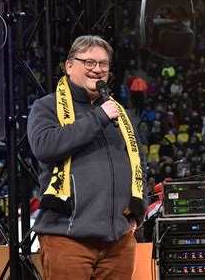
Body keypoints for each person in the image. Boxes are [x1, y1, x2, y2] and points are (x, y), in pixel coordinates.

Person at [27, 35, 147, 279]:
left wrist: (137, 212)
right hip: (67, 237)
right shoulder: (47, 106)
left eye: (103, 64)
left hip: (118, 241)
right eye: (89, 62)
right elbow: (45, 147)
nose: (97, 70)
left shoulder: (118, 113)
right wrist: (98, 118)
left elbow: (139, 164)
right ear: (69, 65)